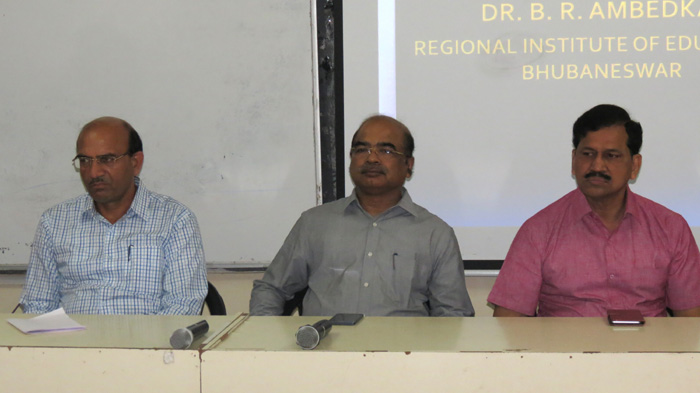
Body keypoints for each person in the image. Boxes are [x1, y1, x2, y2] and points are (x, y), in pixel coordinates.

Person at [488, 104, 700, 317]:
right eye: (588, 154)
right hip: (565, 348)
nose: (597, 166)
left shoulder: (671, 228)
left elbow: (692, 322)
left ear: (634, 166)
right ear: (574, 161)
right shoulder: (538, 230)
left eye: (611, 156)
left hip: (648, 349)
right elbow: (508, 322)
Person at [250, 115, 474, 316]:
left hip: (401, 357)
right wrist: (270, 345)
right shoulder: (314, 223)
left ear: (408, 165)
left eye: (386, 151)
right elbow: (271, 290)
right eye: (362, 150)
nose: (372, 159)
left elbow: (454, 313)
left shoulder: (435, 233)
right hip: (324, 355)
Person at [19, 117, 208, 314]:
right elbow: (38, 305)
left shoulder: (175, 220)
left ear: (135, 163)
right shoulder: (54, 222)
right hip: (73, 341)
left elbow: (183, 305)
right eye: (84, 160)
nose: (93, 172)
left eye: (106, 159)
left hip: (147, 342)